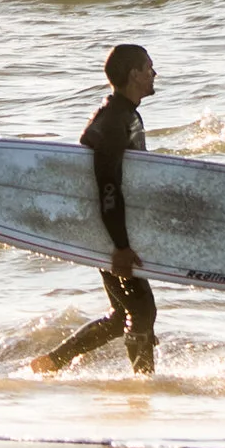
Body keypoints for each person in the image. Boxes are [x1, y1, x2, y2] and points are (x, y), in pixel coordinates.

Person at [29, 44, 158, 375]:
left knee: (123, 315)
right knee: (141, 311)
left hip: (105, 226)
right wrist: (120, 246)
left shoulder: (122, 112)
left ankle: (51, 363)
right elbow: (107, 184)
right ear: (133, 74)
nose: (153, 74)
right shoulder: (116, 120)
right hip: (108, 229)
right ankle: (144, 386)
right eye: (148, 68)